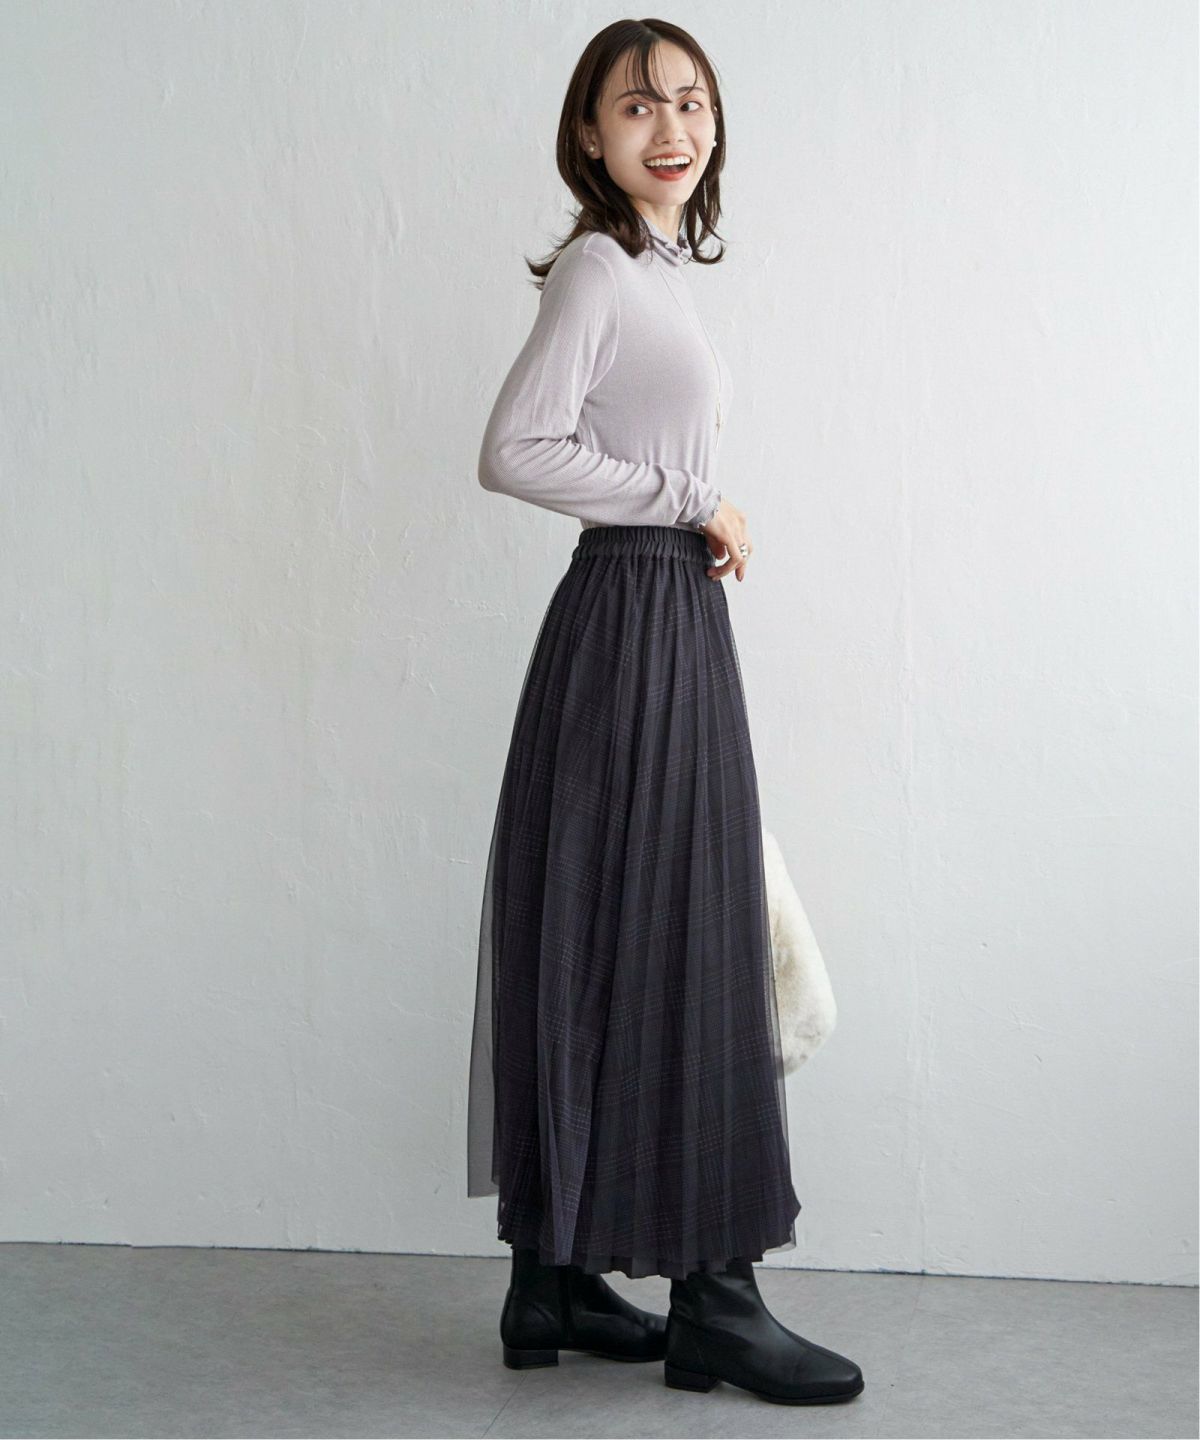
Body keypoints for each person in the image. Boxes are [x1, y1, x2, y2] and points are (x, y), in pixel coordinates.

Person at [465, 18, 864, 1407]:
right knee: (683, 936)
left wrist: (684, 514)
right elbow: (513, 448)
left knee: (616, 930)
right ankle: (716, 1301)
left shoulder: (655, 273)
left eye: (689, 102)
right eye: (637, 108)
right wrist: (693, 498)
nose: (671, 128)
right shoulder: (597, 268)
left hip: (659, 615)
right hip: (634, 616)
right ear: (590, 135)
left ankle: (555, 1279)